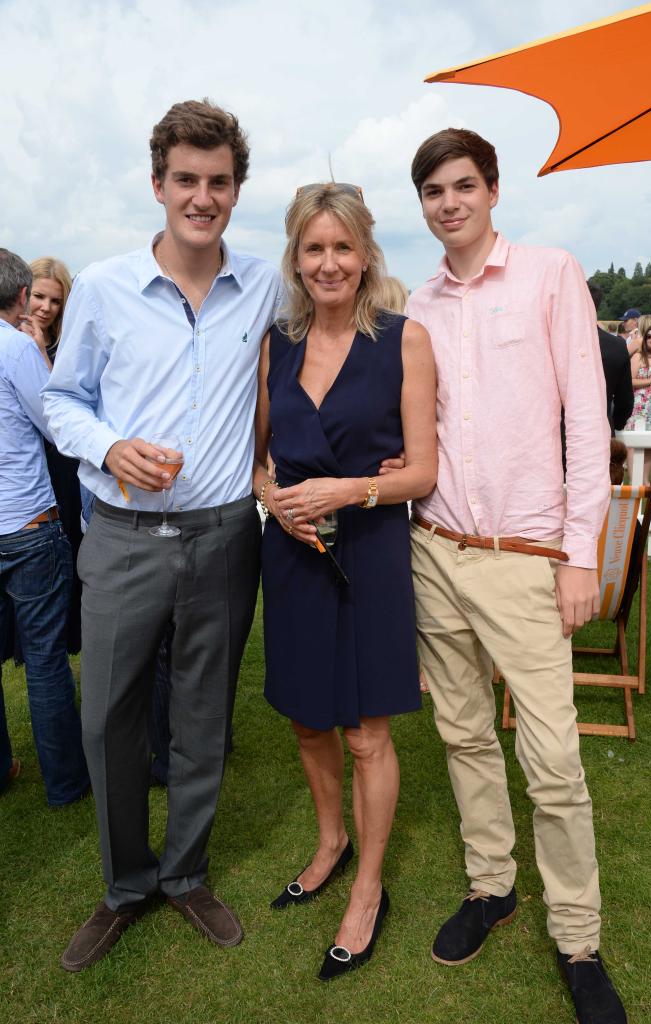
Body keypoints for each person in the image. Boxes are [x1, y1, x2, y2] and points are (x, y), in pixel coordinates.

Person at [43, 99, 281, 972]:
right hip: (124, 535)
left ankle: (185, 875)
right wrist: (110, 445)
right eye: (187, 179)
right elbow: (61, 400)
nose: (203, 196)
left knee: (203, 717)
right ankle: (123, 887)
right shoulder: (103, 287)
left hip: (224, 536)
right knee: (107, 716)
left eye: (219, 182)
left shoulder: (264, 283)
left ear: (236, 189)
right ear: (158, 185)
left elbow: (339, 314)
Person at [405, 129, 626, 1024]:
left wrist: (581, 556)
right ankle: (491, 886)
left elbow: (589, 422)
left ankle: (579, 939)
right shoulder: (418, 302)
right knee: (461, 735)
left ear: (492, 190)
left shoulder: (549, 273)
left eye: (463, 185)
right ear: (421, 204)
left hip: (529, 561)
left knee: (556, 760)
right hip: (436, 547)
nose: (449, 202)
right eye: (432, 191)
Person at [253, 183, 437, 980]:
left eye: (343, 248)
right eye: (313, 249)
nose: (328, 263)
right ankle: (329, 842)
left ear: (365, 255)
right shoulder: (275, 346)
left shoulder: (405, 340)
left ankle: (368, 888)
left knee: (367, 735)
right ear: (297, 258)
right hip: (294, 555)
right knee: (304, 720)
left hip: (369, 553)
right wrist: (275, 500)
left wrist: (349, 489)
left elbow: (422, 470)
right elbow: (260, 459)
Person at [0, 248, 89, 807]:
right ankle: (66, 782)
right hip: (29, 523)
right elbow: (57, 423)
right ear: (18, 297)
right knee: (45, 661)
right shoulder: (16, 349)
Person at [19, 258, 83, 654]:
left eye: (55, 300)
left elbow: (58, 408)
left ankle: (67, 640)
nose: (45, 307)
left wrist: (41, 352)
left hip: (62, 465)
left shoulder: (66, 347)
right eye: (39, 297)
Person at [588, 283, 633, 432]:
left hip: (557, 438)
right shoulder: (617, 346)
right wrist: (615, 425)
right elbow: (625, 402)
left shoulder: (553, 343)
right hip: (601, 430)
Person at [624, 324, 651, 482]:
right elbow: (630, 380)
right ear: (645, 339)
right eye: (649, 336)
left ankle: (645, 481)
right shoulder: (638, 357)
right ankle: (634, 479)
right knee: (634, 441)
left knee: (650, 443)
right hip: (639, 404)